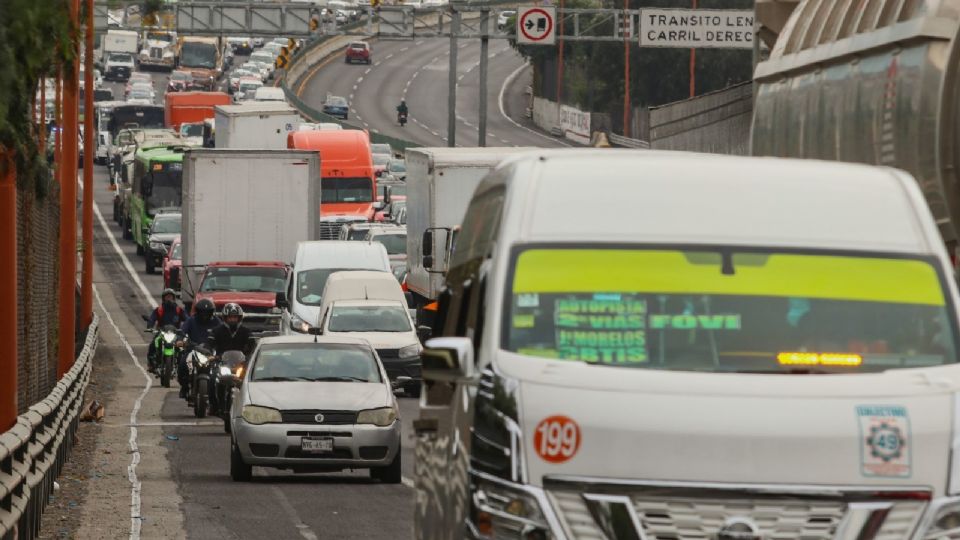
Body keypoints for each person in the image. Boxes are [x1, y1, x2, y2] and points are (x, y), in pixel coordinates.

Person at [206, 303, 256, 414]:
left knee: (251, 381)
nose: (232, 320)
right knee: (213, 378)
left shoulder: (246, 331)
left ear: (239, 318)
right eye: (230, 317)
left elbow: (253, 346)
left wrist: (249, 357)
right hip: (221, 363)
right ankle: (214, 405)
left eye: (235, 317)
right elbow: (209, 344)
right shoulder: (217, 330)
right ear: (225, 318)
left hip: (241, 364)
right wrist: (210, 355)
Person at [178, 299, 221, 398]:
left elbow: (223, 331)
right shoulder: (191, 320)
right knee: (182, 364)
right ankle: (184, 387)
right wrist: (180, 340)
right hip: (193, 349)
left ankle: (216, 392)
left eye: (207, 312)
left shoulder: (216, 321)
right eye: (202, 312)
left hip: (210, 352)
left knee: (220, 369)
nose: (204, 315)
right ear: (198, 311)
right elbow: (183, 331)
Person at [146, 288, 187, 373]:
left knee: (184, 347)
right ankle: (151, 364)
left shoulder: (178, 310)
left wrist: (188, 328)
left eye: (170, 297)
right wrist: (150, 326)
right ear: (163, 298)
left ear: (174, 298)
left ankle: (183, 365)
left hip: (176, 333)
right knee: (153, 345)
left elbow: (188, 320)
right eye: (167, 297)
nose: (169, 299)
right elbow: (152, 318)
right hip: (162, 333)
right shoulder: (159, 310)